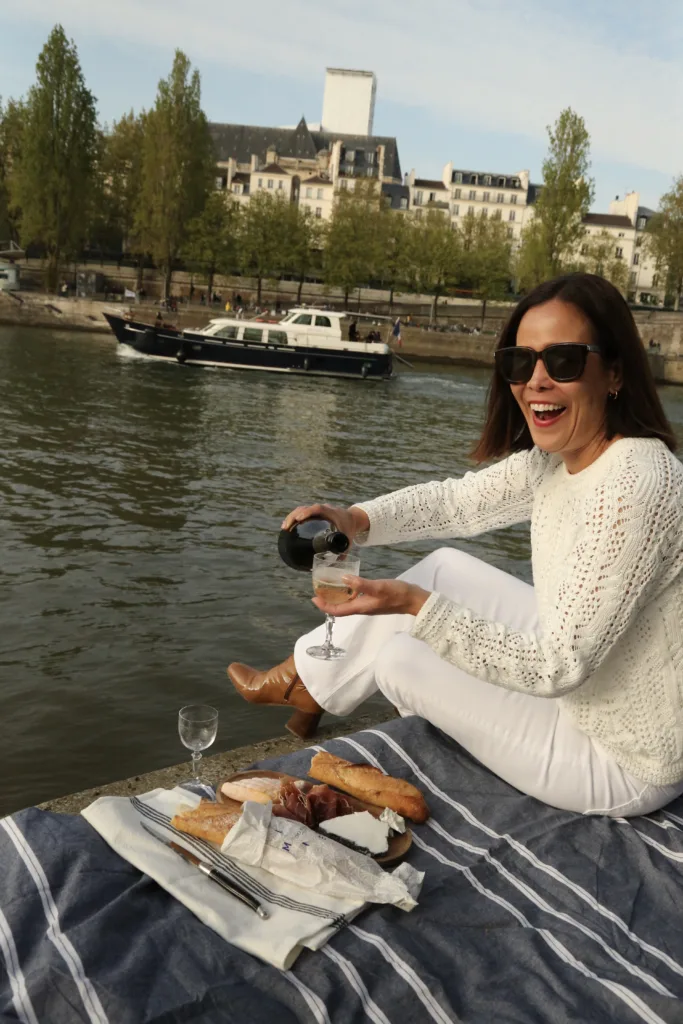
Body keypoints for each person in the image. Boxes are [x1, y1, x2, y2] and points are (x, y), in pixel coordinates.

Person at [228, 273, 683, 818]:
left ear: (613, 371)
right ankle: (305, 683)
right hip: (602, 680)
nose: (536, 381)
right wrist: (354, 517)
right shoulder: (567, 459)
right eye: (520, 362)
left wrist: (412, 605)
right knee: (443, 567)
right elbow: (457, 504)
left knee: (398, 658)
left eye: (562, 361)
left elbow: (558, 668)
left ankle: (308, 688)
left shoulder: (637, 483)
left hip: (625, 754)